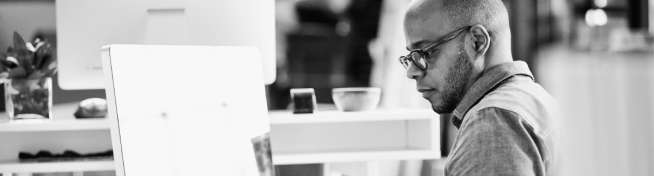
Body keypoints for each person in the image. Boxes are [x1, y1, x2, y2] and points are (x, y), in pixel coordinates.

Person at [400, 0, 560, 175]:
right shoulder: (534, 101)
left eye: (426, 52)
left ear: (477, 41)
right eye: (410, 57)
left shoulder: (492, 124)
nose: (412, 72)